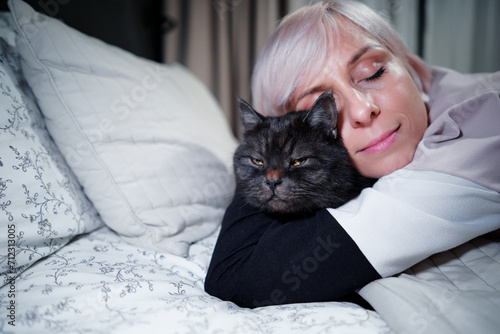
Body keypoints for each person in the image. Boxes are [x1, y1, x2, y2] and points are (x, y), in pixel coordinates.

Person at [205, 0, 500, 308]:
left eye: (373, 73)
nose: (362, 110)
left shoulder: (483, 123)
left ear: (410, 65)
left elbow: (235, 275)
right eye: (321, 107)